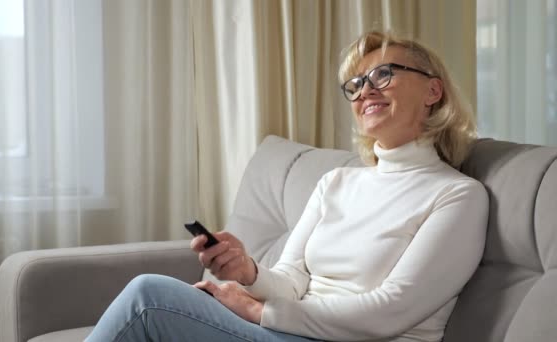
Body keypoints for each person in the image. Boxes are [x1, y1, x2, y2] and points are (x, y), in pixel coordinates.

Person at [85, 30, 489, 342]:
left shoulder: (457, 196)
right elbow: (292, 280)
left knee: (148, 297)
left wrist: (258, 312)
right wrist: (247, 272)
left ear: (432, 90)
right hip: (293, 332)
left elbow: (391, 310)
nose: (365, 89)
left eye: (383, 74)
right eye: (356, 83)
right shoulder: (337, 182)